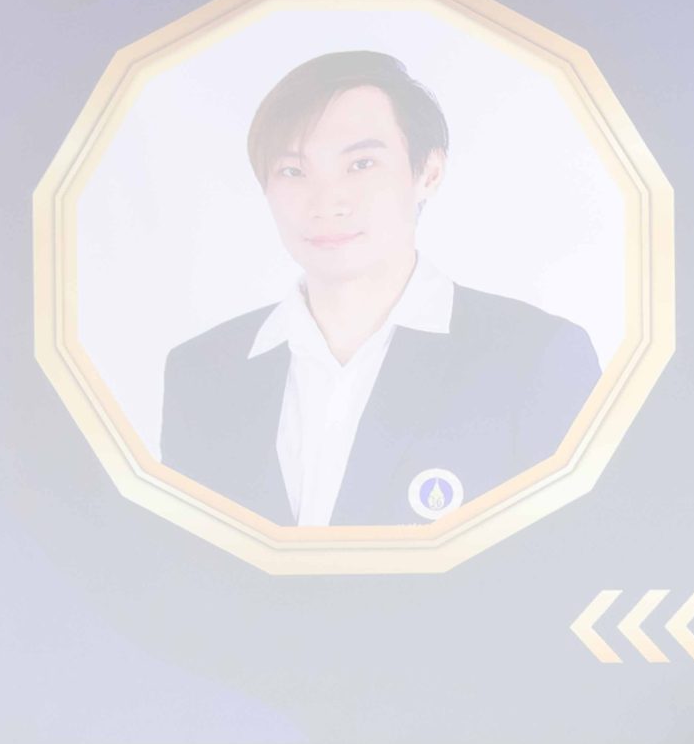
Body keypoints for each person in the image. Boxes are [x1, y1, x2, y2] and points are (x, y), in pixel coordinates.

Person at [158, 49, 600, 528]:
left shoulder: (535, 359)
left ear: (428, 173)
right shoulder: (201, 373)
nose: (327, 203)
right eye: (293, 171)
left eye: (361, 164)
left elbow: (577, 559)